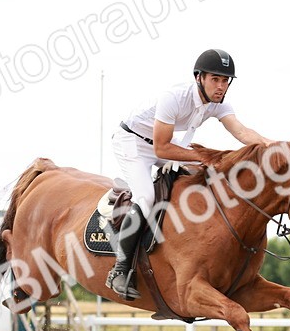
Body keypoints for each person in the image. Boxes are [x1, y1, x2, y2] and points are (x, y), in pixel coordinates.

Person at [107, 48, 276, 300]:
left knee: (200, 178)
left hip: (162, 142)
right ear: (199, 78)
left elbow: (241, 132)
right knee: (146, 197)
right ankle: (119, 270)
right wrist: (206, 156)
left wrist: (274, 146)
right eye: (215, 79)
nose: (221, 86)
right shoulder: (174, 98)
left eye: (225, 80)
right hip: (133, 142)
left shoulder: (218, 104)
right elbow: (161, 148)